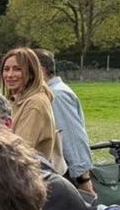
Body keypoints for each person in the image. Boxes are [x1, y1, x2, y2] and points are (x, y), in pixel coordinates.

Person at [36, 49, 93, 191]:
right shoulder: (45, 94)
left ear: (41, 70)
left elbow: (72, 139)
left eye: (21, 69)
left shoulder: (57, 95)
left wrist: (83, 179)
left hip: (66, 178)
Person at [2, 46, 65, 173]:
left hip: (28, 176)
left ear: (31, 73)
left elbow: (19, 149)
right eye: (6, 69)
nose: (10, 75)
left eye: (17, 69)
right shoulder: (16, 99)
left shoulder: (35, 103)